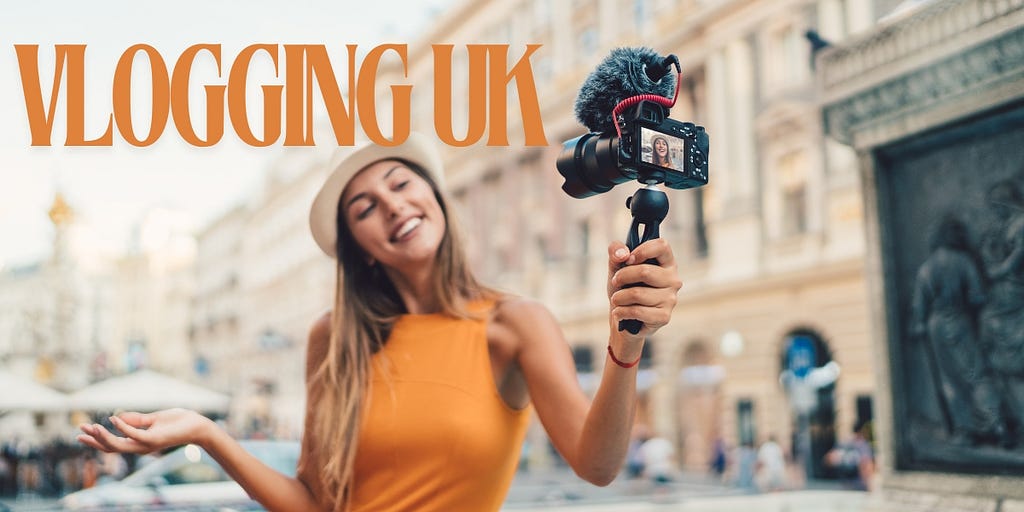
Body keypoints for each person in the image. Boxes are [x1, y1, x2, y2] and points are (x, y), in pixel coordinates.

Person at [75, 133, 683, 512]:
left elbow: (597, 466)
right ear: (359, 246)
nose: (393, 205)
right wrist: (210, 436)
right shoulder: (332, 338)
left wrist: (624, 343)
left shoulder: (516, 323)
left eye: (401, 184)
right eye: (365, 207)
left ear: (434, 198)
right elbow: (315, 505)